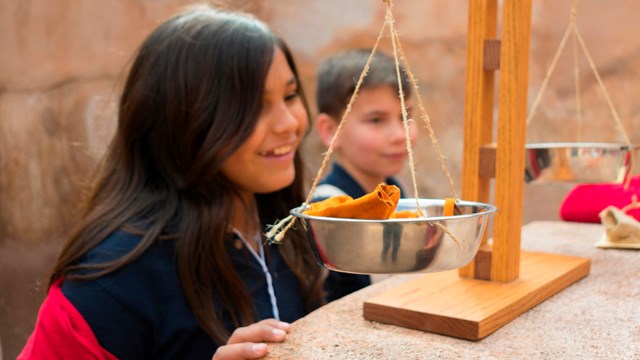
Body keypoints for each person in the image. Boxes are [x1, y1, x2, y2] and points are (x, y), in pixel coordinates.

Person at [19, 5, 339, 359]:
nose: (289, 123)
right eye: (253, 105)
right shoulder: (110, 282)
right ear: (184, 120)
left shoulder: (284, 229)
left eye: (290, 95)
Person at [313, 49, 417, 300]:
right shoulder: (327, 207)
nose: (399, 134)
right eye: (376, 120)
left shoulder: (392, 190)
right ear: (330, 130)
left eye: (406, 116)